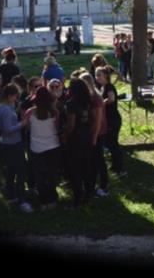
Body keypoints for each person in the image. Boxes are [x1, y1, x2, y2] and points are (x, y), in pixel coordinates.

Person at [0, 84, 32, 213]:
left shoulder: (2, 107)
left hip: (7, 144)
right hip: (13, 144)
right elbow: (7, 129)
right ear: (10, 96)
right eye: (16, 95)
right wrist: (22, 124)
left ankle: (11, 196)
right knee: (20, 172)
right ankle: (21, 199)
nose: (17, 98)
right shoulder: (5, 110)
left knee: (10, 172)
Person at [25, 85, 62, 210]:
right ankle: (52, 199)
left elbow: (28, 129)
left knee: (40, 176)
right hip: (53, 146)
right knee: (52, 174)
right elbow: (57, 128)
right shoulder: (54, 112)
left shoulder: (29, 112)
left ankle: (43, 201)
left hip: (36, 148)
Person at [61, 78, 95, 208]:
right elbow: (92, 119)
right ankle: (88, 194)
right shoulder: (87, 101)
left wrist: (64, 136)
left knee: (74, 170)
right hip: (86, 136)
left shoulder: (71, 104)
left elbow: (71, 125)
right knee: (86, 167)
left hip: (74, 140)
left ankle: (78, 198)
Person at [96, 66, 126, 177]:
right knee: (110, 143)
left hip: (113, 120)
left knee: (113, 144)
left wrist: (102, 103)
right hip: (109, 119)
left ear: (106, 76)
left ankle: (120, 169)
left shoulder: (108, 86)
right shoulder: (103, 87)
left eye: (99, 75)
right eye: (96, 75)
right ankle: (115, 166)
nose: (97, 77)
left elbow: (112, 98)